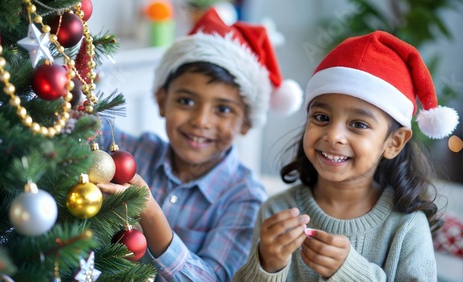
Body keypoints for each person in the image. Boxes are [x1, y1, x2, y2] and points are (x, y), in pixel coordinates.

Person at [232, 30, 460, 281]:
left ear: (393, 142)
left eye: (359, 124)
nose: (333, 136)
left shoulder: (406, 227)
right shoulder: (276, 211)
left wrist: (352, 273)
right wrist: (268, 264)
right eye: (322, 118)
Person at [97, 8, 303, 281]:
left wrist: (151, 215)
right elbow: (83, 130)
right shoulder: (134, 151)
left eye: (223, 109)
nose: (201, 121)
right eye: (186, 101)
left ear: (246, 123)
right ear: (161, 101)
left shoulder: (245, 198)